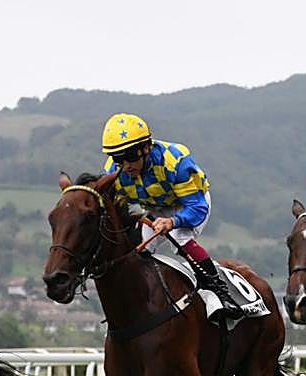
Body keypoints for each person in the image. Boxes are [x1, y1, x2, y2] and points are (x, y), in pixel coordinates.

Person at [99, 113, 247, 318]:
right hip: (155, 207)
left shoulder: (175, 161)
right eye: (119, 159)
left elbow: (197, 208)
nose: (126, 166)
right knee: (135, 252)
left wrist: (172, 221)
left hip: (190, 203)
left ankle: (221, 293)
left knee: (180, 238)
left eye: (131, 156)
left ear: (145, 148)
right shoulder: (112, 172)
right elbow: (119, 208)